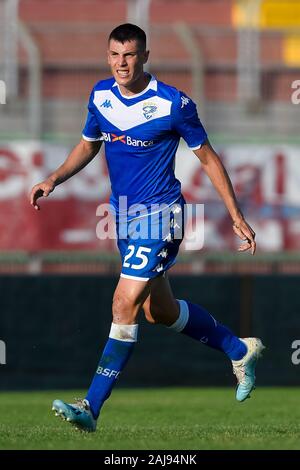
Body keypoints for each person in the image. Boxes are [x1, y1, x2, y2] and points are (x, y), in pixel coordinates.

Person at [30, 23, 264, 433]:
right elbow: (89, 143)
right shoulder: (100, 95)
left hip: (162, 215)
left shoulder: (174, 103)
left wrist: (236, 216)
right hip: (121, 216)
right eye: (116, 55)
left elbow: (208, 159)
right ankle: (238, 349)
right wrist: (54, 178)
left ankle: (90, 406)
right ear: (108, 57)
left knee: (124, 304)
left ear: (145, 56)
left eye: (131, 55)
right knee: (160, 311)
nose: (123, 63)